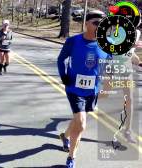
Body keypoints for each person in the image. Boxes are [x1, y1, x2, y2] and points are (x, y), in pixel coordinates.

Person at [57, 10, 111, 168]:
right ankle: (71, 158)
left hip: (92, 91)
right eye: (96, 23)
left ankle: (64, 136)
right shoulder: (73, 41)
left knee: (77, 120)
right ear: (86, 23)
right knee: (81, 124)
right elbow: (61, 60)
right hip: (74, 88)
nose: (99, 26)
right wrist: (63, 75)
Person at [99, 28, 141, 143]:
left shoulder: (137, 33)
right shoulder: (119, 31)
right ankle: (90, 99)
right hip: (113, 65)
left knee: (129, 99)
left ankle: (128, 131)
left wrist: (136, 58)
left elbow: (129, 52)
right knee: (106, 93)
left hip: (126, 68)